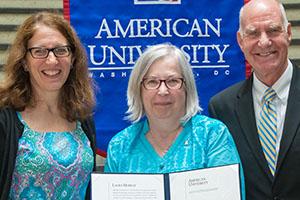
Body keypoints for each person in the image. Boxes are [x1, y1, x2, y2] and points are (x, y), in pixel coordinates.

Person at [104, 43, 245, 199]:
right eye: (152, 82)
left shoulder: (212, 135)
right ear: (138, 90)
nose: (163, 91)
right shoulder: (120, 146)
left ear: (187, 87)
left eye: (172, 81)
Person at [208, 0, 300, 199]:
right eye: (253, 33)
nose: (264, 42)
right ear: (240, 41)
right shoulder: (222, 108)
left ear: (289, 33)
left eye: (273, 30)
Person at [0, 12, 96, 199]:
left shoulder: (82, 117)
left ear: (73, 58)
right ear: (24, 61)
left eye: (61, 50)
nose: (52, 60)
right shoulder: (5, 119)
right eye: (40, 51)